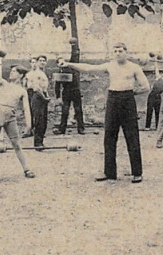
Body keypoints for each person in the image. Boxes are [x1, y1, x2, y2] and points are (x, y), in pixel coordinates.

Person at [60, 42, 149, 183]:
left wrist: (131, 94)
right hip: (112, 99)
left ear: (126, 52)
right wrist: (69, 65)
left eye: (120, 51)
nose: (118, 53)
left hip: (128, 101)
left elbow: (145, 86)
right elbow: (89, 69)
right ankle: (109, 173)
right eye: (115, 51)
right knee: (109, 137)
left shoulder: (134, 67)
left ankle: (137, 173)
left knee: (131, 136)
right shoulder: (110, 66)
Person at [53, 39, 85, 135]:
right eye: (59, 63)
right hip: (66, 92)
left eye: (62, 61)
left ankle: (81, 128)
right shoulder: (59, 73)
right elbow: (57, 86)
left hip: (75, 91)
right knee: (65, 110)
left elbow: (75, 56)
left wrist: (73, 46)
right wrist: (58, 97)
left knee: (78, 109)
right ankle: (62, 129)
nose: (61, 64)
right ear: (58, 64)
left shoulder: (71, 66)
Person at [25, 55, 50, 150]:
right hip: (38, 97)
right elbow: (37, 88)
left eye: (44, 61)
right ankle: (37, 143)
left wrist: (47, 96)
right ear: (37, 62)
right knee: (39, 121)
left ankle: (41, 142)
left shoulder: (43, 73)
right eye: (40, 61)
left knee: (44, 120)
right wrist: (44, 97)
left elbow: (44, 87)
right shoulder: (36, 73)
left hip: (43, 96)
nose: (42, 62)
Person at [145, 60, 163, 130]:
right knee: (149, 111)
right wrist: (155, 61)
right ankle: (147, 127)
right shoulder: (158, 77)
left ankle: (157, 126)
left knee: (157, 112)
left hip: (158, 97)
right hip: (152, 96)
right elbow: (156, 69)